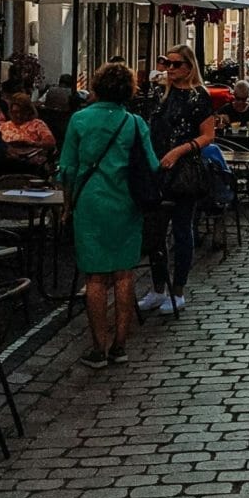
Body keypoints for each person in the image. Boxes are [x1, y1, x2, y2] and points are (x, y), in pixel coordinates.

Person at [59, 61, 158, 369]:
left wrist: (67, 205)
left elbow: (68, 169)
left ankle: (98, 348)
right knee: (125, 274)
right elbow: (152, 164)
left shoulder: (79, 120)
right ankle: (120, 346)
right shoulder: (134, 122)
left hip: (90, 203)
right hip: (126, 203)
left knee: (96, 277)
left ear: (98, 88)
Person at [139, 44, 214, 316]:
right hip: (158, 169)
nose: (169, 69)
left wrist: (179, 151)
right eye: (166, 63)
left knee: (182, 231)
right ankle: (158, 288)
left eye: (175, 64)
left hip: (184, 172)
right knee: (155, 232)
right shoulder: (159, 94)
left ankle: (178, 290)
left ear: (189, 66)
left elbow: (208, 135)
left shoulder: (199, 96)